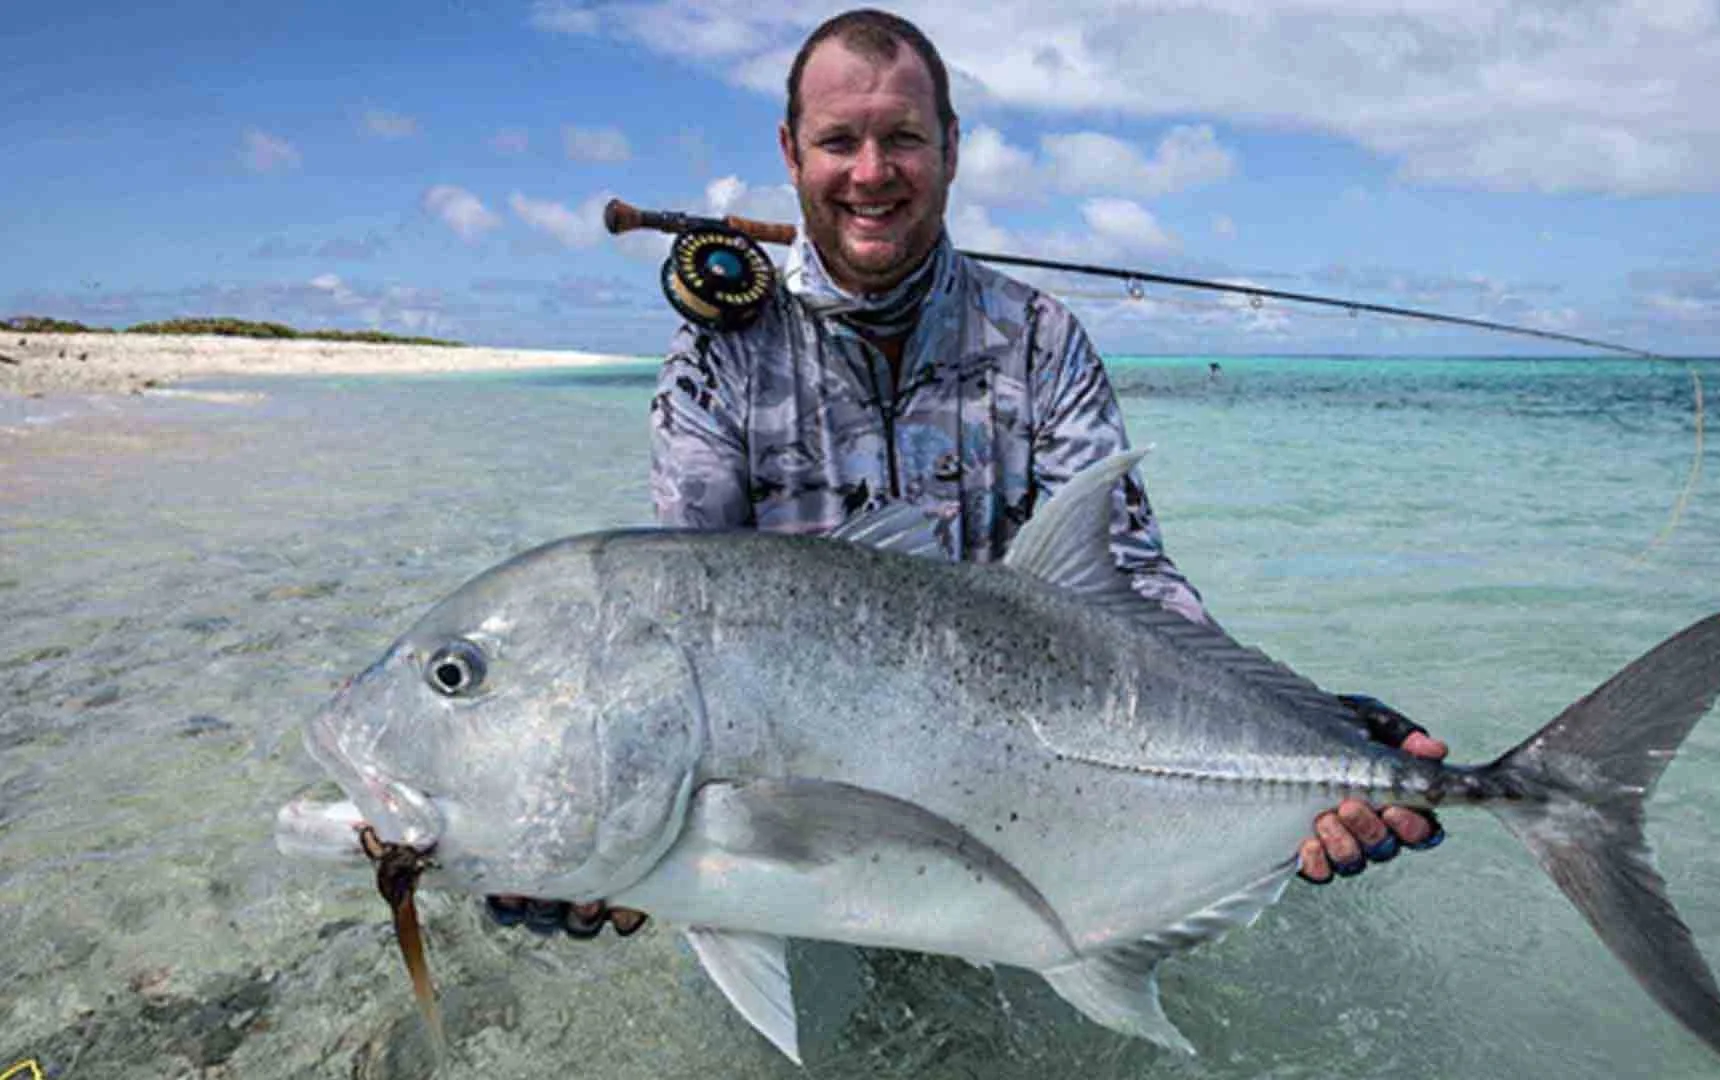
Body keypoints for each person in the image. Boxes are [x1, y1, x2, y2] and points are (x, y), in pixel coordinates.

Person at [489, 7, 1443, 939]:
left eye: (902, 137)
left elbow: (1125, 581)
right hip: (810, 822)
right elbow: (688, 622)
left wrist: (1312, 725)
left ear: (950, 144)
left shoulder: (1039, 338)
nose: (872, 173)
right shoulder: (718, 360)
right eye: (839, 141)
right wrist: (577, 831)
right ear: (791, 154)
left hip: (1044, 790)